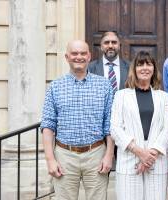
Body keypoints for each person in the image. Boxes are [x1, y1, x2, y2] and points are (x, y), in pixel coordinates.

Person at [40, 40, 114, 200]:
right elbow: (48, 125)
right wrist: (50, 159)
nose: (78, 57)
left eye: (82, 53)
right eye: (74, 53)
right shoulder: (55, 87)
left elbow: (109, 124)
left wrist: (109, 155)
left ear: (89, 56)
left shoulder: (104, 85)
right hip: (65, 156)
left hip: (96, 154)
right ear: (67, 57)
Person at [110, 51, 168, 200]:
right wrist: (140, 152)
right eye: (140, 64)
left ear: (153, 69)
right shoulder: (121, 95)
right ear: (134, 69)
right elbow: (115, 128)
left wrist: (150, 155)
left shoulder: (163, 96)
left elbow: (167, 129)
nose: (144, 68)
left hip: (155, 160)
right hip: (129, 159)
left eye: (148, 64)